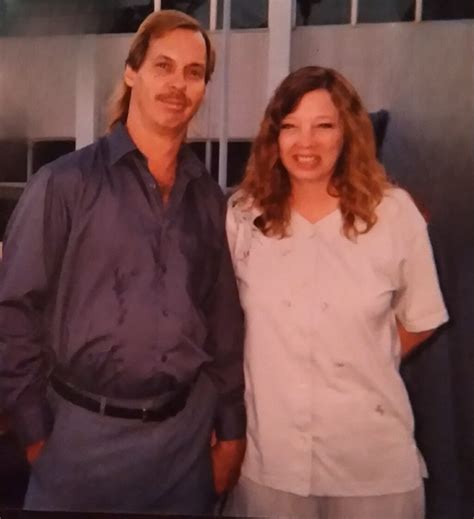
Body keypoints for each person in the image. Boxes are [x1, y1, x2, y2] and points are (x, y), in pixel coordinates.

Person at [0, 9, 246, 514]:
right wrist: (35, 436)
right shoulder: (64, 184)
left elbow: (223, 326)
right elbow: (14, 311)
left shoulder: (208, 200)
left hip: (183, 447)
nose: (178, 84)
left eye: (193, 72)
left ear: (204, 88)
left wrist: (231, 429)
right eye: (163, 66)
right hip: (79, 442)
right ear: (131, 72)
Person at [225, 66, 448, 518]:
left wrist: (362, 353)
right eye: (290, 127)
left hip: (372, 469)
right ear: (274, 136)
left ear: (347, 131)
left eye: (323, 126)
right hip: (272, 465)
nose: (305, 143)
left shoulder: (393, 216)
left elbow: (421, 320)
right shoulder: (244, 218)